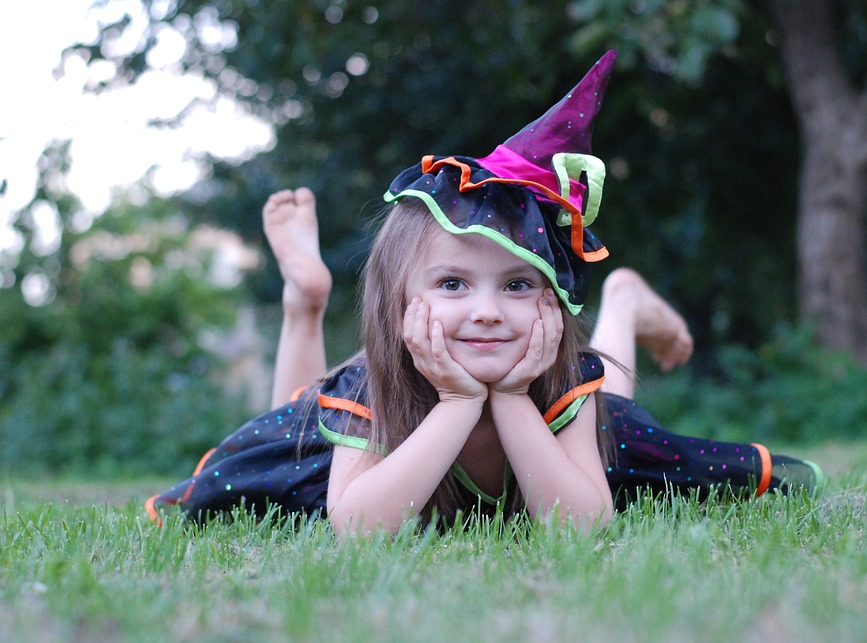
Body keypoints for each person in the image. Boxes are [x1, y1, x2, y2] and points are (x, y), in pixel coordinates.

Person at [146, 51, 821, 533]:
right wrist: (457, 402)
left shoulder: (563, 381)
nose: (488, 310)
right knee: (295, 439)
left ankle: (622, 300)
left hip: (568, 406)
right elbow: (353, 529)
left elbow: (584, 528)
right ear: (399, 305)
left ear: (553, 303)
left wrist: (510, 400)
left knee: (616, 417)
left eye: (520, 283)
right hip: (378, 416)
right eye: (451, 282)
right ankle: (308, 304)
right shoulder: (370, 390)